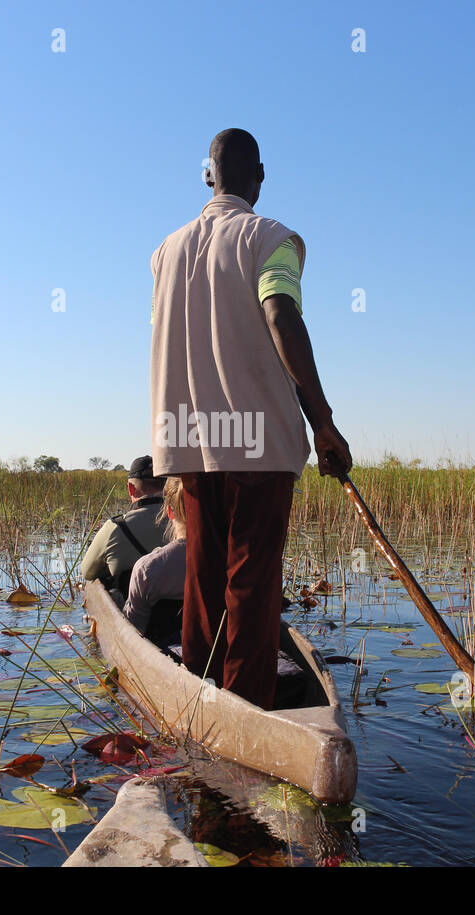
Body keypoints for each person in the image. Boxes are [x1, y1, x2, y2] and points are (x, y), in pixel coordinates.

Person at [149, 128, 352, 709]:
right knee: (252, 586)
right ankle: (248, 714)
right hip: (255, 440)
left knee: (204, 581)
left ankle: (194, 702)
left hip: (188, 438)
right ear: (259, 177)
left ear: (207, 177)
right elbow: (280, 316)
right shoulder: (272, 240)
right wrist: (323, 421)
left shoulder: (165, 252)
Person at [81, 455, 167, 594]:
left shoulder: (115, 527)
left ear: (131, 489)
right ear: (166, 487)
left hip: (129, 610)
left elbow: (87, 573)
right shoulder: (185, 523)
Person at [123, 477, 186, 639]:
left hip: (167, 651)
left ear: (169, 511)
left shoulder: (147, 568)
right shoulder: (233, 562)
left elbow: (134, 631)